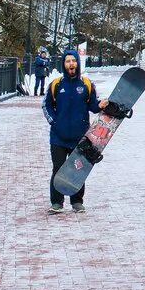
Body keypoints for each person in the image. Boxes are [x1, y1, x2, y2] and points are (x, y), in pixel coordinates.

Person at [42, 49, 108, 214]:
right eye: (67, 61)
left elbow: (92, 106)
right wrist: (54, 122)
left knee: (78, 169)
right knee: (58, 169)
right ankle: (57, 203)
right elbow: (46, 105)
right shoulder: (56, 84)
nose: (71, 64)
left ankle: (77, 201)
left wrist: (100, 105)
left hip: (80, 137)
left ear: (78, 63)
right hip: (58, 136)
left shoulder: (86, 84)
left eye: (73, 61)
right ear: (64, 64)